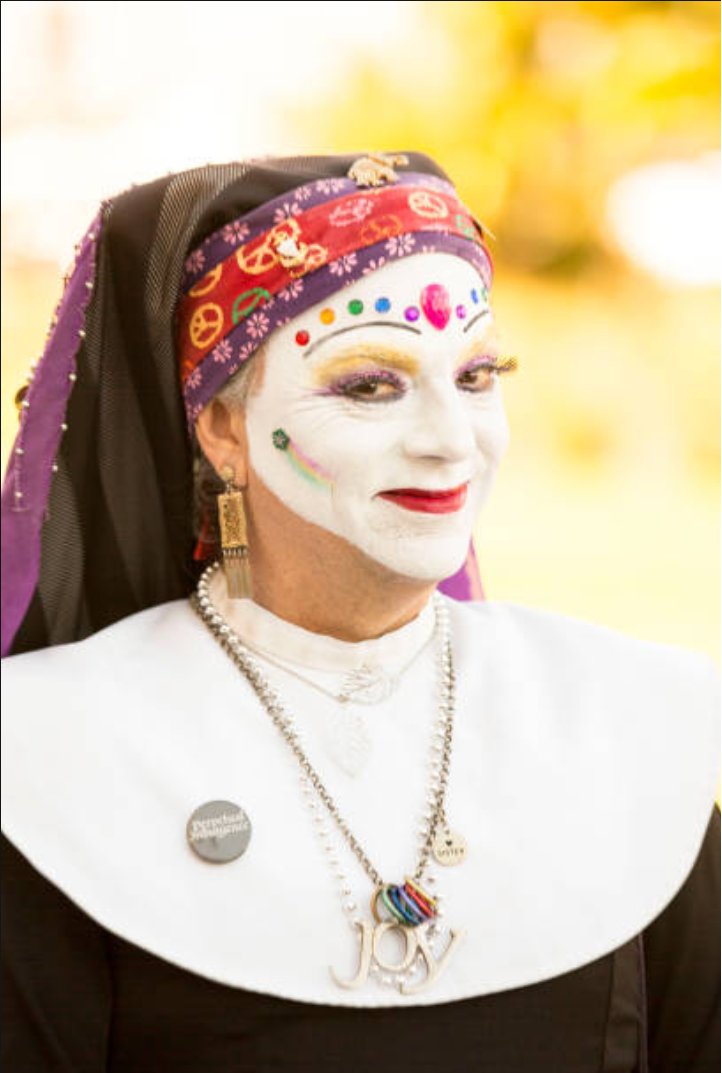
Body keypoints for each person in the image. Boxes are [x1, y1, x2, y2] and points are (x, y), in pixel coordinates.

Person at [1, 151, 719, 1072]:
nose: (451, 440)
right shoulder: (50, 753)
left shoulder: (627, 722)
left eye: (477, 373)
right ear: (221, 427)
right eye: (370, 385)